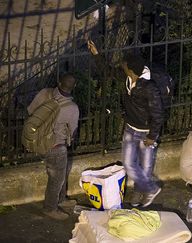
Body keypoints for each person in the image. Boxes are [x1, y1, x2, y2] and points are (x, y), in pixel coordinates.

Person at [87, 40, 164, 207]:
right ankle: (150, 188)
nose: (121, 65)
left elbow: (157, 114)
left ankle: (140, 191)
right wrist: (96, 54)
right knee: (129, 164)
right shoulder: (127, 77)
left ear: (131, 70)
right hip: (130, 128)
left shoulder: (149, 88)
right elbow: (108, 71)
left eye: (124, 64)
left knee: (145, 167)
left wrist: (152, 136)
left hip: (146, 133)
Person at [27, 74, 79, 220]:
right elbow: (73, 130)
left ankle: (61, 199)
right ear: (73, 87)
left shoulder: (45, 93)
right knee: (56, 179)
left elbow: (31, 111)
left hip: (40, 142)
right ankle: (50, 208)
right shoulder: (72, 108)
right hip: (56, 146)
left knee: (59, 175)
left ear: (58, 83)